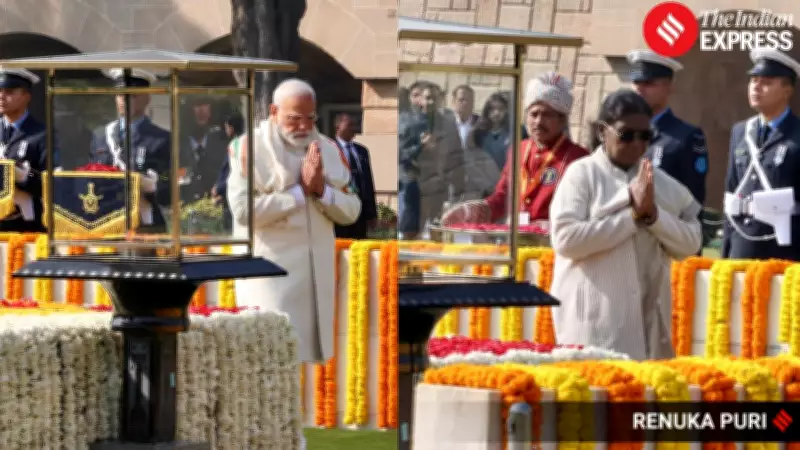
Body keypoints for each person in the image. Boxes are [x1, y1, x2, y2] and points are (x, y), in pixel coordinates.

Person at [549, 89, 702, 360]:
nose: (637, 144)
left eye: (646, 136)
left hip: (647, 323)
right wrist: (630, 217)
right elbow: (566, 240)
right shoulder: (582, 174)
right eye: (626, 135)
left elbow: (691, 241)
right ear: (601, 132)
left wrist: (653, 217)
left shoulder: (660, 182)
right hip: (593, 325)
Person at [226, 78, 361, 365]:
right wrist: (299, 193)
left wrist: (322, 190)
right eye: (294, 119)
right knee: (267, 359)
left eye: (309, 118)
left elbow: (352, 209)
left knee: (308, 367)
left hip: (315, 278)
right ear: (274, 112)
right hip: (270, 275)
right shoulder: (248, 147)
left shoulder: (328, 148)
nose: (303, 127)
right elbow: (242, 211)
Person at [440, 72, 588, 231]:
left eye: (547, 115)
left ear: (562, 120)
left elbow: (582, 212)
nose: (538, 121)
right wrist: (472, 211)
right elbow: (502, 198)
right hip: (515, 240)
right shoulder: (519, 149)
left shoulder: (578, 158)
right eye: (534, 114)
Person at [722, 49, 800, 260]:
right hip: (741, 246)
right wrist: (726, 252)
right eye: (753, 80)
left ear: (787, 90)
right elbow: (731, 193)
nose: (756, 87)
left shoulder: (796, 133)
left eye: (766, 82)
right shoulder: (741, 131)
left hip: (784, 249)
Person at [89, 68, 170, 233]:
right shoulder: (101, 135)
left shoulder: (161, 138)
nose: (124, 100)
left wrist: (154, 185)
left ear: (147, 98)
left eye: (132, 95)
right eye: (120, 94)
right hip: (106, 220)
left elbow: (169, 183)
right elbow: (91, 175)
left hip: (145, 223)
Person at [628, 50, 709, 207]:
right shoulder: (622, 133)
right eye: (636, 83)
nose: (639, 89)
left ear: (668, 86)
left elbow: (693, 198)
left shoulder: (687, 136)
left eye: (649, 83)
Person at [0, 68, 58, 232]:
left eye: (9, 91)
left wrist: (24, 175)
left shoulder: (42, 134)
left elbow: (53, 185)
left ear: (26, 97)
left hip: (25, 222)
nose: (2, 97)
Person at [333, 113, 377, 239]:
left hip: (360, 210)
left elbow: (368, 182)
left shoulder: (362, 151)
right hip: (339, 208)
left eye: (355, 125)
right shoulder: (329, 148)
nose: (354, 128)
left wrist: (372, 214)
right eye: (350, 124)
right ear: (338, 126)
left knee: (359, 245)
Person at [179, 95, 229, 204]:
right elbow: (164, 178)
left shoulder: (223, 146)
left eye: (206, 104)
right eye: (196, 105)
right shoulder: (175, 146)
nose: (202, 110)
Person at [212, 113, 245, 232]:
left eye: (226, 127)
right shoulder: (239, 143)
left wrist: (219, 188)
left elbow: (234, 171)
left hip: (233, 197)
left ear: (231, 128)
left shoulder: (237, 145)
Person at [451, 85, 479, 149]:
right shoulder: (445, 123)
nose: (465, 103)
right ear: (453, 102)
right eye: (461, 100)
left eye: (468, 100)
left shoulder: (480, 123)